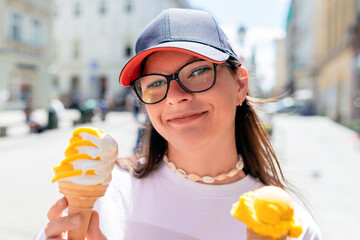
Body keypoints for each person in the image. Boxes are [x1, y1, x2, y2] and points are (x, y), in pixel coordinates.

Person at [38, 8, 323, 239]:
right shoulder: (103, 196)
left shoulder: (289, 225)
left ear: (239, 85)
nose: (174, 97)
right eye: (155, 84)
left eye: (197, 71)